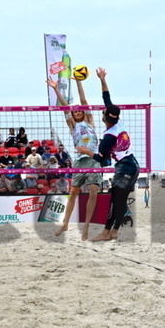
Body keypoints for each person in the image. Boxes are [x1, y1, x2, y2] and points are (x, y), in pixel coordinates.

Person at [85, 68, 140, 242]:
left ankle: (106, 232)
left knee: (115, 201)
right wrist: (102, 79)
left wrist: (87, 152)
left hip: (125, 168)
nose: (102, 112)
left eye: (103, 112)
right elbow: (106, 98)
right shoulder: (118, 123)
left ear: (105, 117)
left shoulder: (108, 137)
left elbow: (101, 159)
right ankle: (114, 232)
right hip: (133, 165)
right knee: (120, 201)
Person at [48, 72, 101, 241]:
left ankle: (86, 226)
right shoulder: (72, 125)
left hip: (93, 159)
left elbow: (84, 100)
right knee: (73, 193)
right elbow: (65, 107)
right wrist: (56, 89)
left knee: (93, 192)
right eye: (75, 111)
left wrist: (78, 81)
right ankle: (65, 224)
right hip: (79, 161)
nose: (77, 112)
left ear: (83, 113)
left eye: (79, 111)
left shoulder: (89, 121)